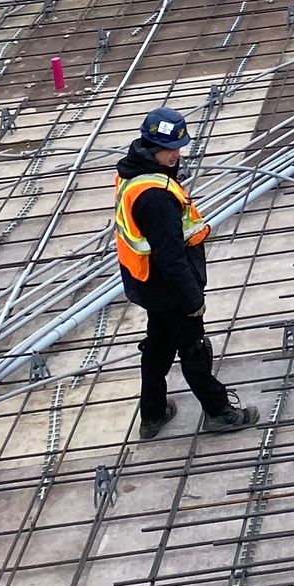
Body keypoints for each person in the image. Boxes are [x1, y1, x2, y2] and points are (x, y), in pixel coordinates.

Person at [113, 108, 259, 440]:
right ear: (152, 147)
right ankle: (218, 412)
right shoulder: (156, 197)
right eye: (170, 149)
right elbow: (171, 257)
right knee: (194, 349)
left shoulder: (133, 172)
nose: (176, 154)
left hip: (147, 283)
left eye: (178, 147)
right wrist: (193, 299)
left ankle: (152, 415)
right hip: (170, 288)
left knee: (158, 347)